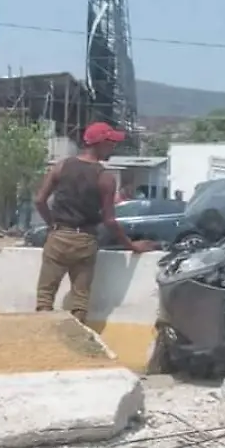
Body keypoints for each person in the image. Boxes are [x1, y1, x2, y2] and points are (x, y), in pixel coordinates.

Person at [32, 122, 157, 324]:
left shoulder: (61, 166)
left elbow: (39, 201)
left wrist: (52, 226)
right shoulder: (105, 178)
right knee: (80, 301)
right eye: (111, 143)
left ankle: (43, 336)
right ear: (100, 144)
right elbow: (109, 220)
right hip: (85, 241)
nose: (113, 147)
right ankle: (76, 338)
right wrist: (131, 245)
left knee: (45, 297)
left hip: (58, 237)